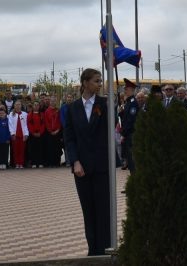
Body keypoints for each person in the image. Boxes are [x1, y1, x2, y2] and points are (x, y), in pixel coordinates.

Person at [63, 68, 110, 257]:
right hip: (81, 168)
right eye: (96, 81)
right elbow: (69, 138)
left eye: (100, 81)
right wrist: (75, 161)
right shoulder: (72, 108)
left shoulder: (105, 104)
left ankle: (105, 250)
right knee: (88, 211)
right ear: (85, 82)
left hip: (101, 167)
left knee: (103, 210)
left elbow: (110, 130)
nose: (100, 84)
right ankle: (93, 251)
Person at [8, 100, 28, 169]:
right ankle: (16, 163)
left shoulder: (25, 114)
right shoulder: (11, 114)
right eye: (16, 104)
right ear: (14, 106)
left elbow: (26, 125)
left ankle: (21, 163)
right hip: (15, 135)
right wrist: (12, 134)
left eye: (19, 104)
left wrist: (26, 134)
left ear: (21, 105)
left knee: (22, 150)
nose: (18, 106)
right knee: (15, 150)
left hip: (22, 134)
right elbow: (10, 125)